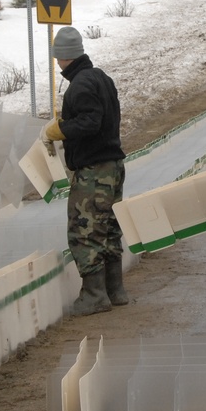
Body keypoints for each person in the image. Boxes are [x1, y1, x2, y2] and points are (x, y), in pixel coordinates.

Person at [43, 26, 128, 316]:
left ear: (65, 57)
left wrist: (60, 130)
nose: (56, 62)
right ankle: (115, 290)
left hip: (94, 171)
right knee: (108, 228)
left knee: (84, 231)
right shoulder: (101, 78)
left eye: (58, 57)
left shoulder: (80, 85)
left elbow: (90, 122)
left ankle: (94, 295)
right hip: (113, 167)